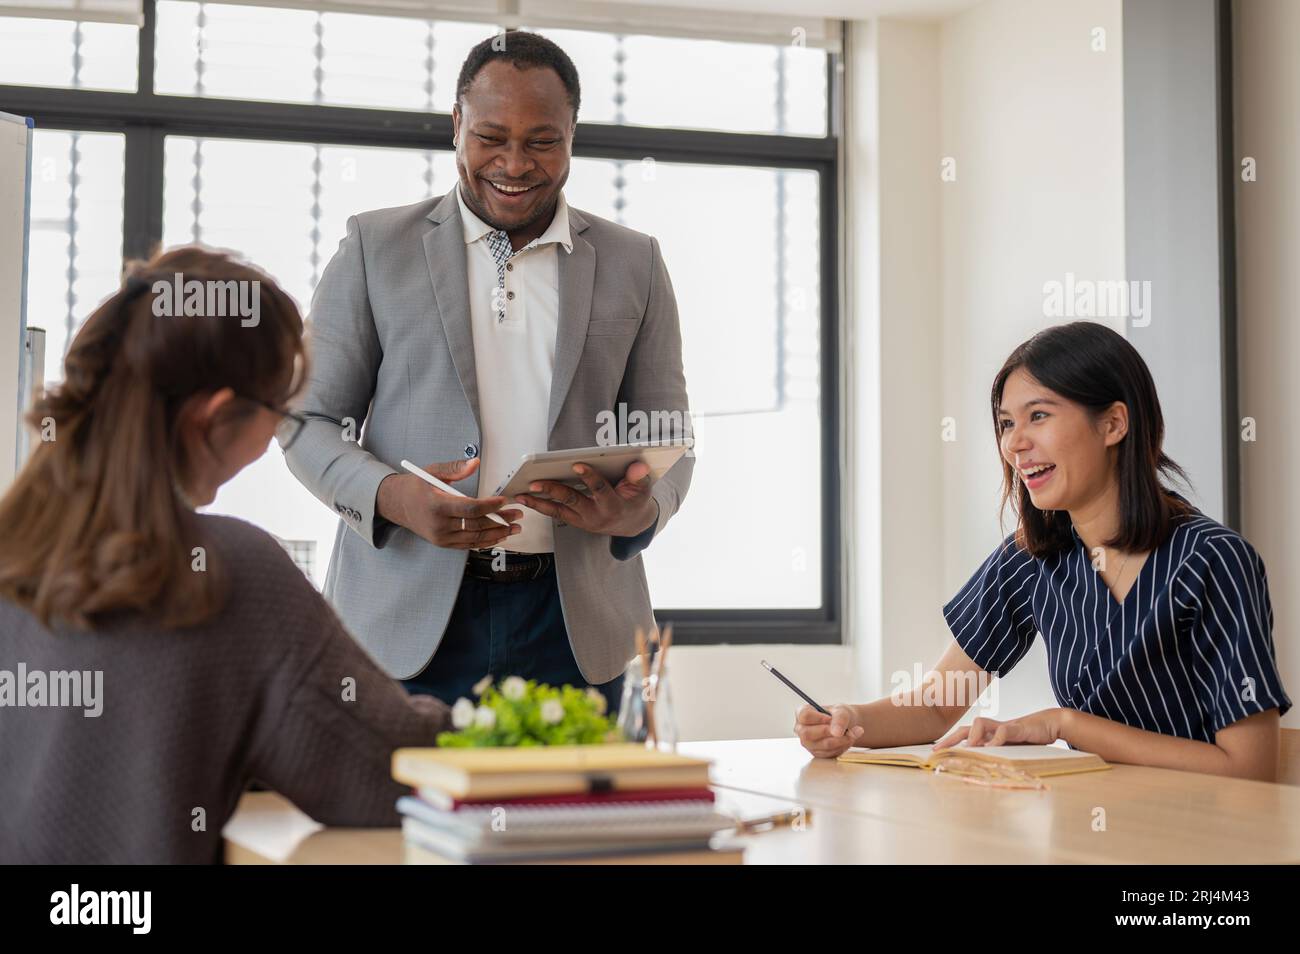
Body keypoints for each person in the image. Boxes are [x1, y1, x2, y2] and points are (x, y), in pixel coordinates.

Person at [283, 30, 692, 714]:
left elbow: (670, 435)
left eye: (542, 141)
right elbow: (305, 422)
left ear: (572, 137)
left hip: (576, 628)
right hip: (403, 625)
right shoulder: (374, 248)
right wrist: (393, 497)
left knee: (584, 822)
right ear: (456, 126)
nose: (514, 163)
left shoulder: (635, 262)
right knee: (392, 823)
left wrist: (641, 508)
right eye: (491, 137)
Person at [0, 247, 453, 863]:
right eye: (278, 411)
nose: (277, 437)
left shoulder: (18, 548)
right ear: (214, 418)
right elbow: (388, 771)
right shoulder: (225, 571)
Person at [796, 321, 1291, 781]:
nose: (1015, 443)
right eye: (1007, 423)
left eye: (1038, 416)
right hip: (1090, 830)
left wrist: (1065, 725)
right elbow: (936, 705)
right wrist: (849, 720)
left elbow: (1248, 768)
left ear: (1114, 423)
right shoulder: (1031, 557)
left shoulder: (1213, 560)